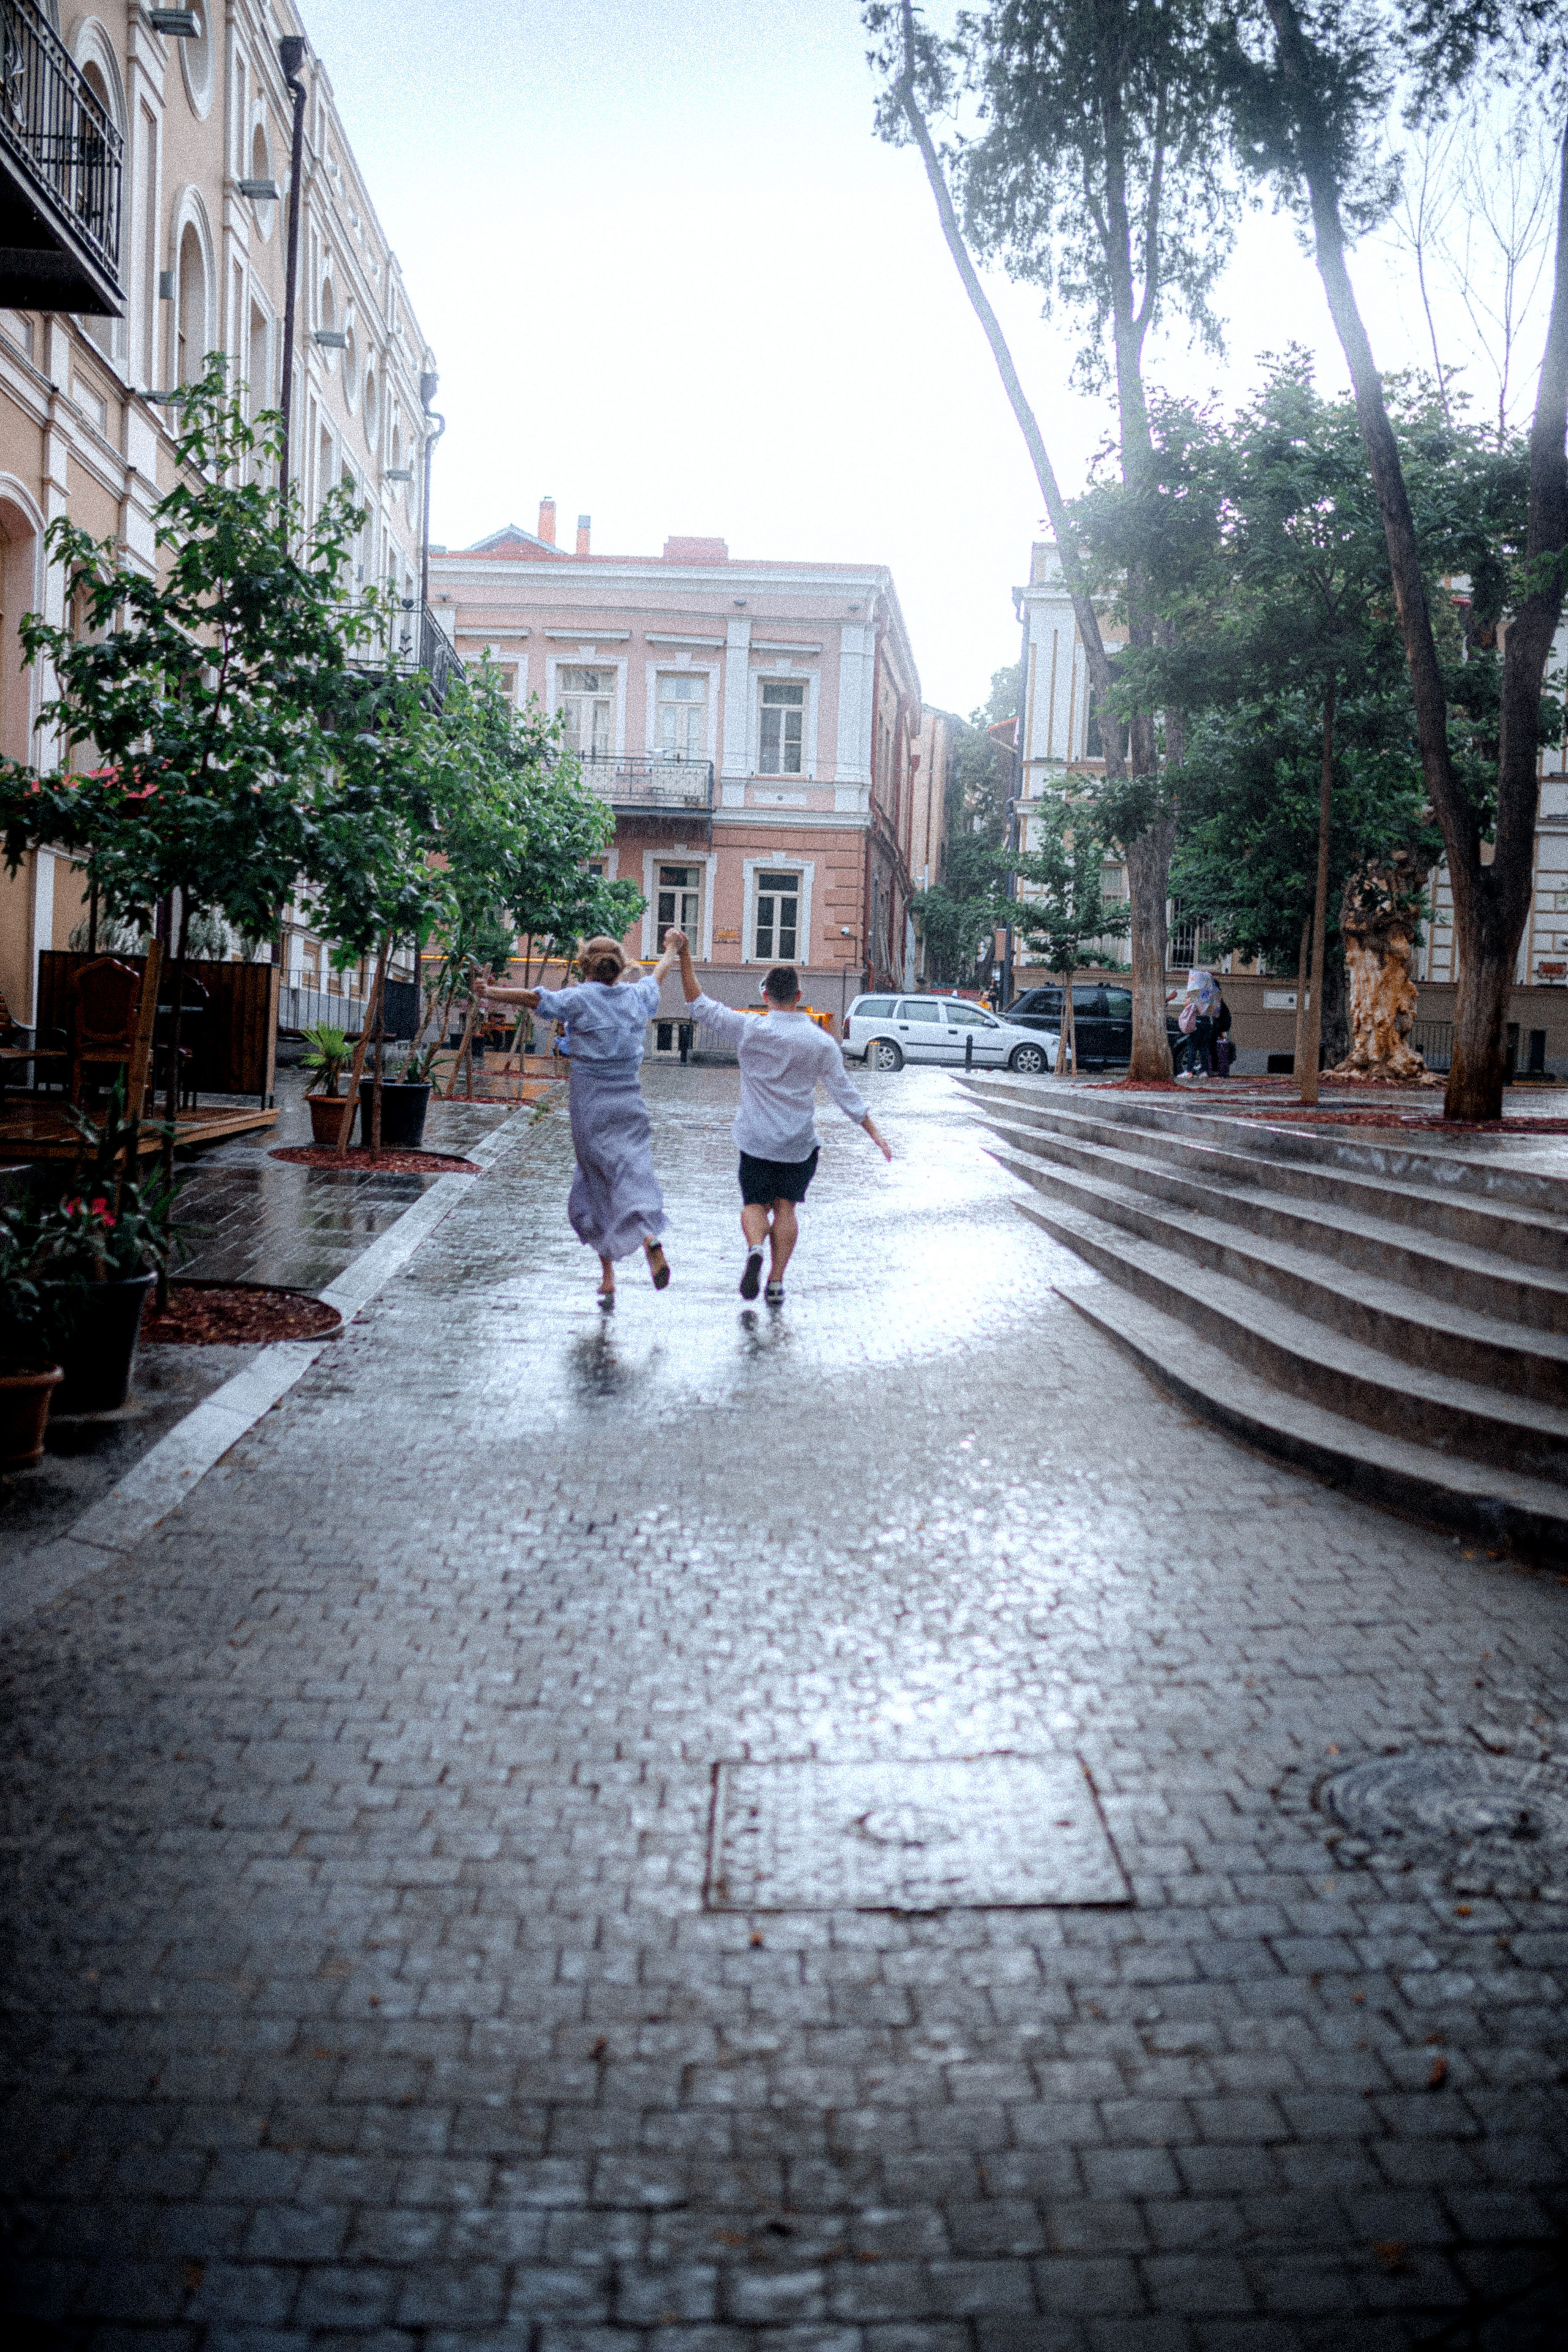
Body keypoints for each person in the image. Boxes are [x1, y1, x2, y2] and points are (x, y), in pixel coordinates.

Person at [669, 930, 891, 1305]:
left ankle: (756, 1247)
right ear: (799, 997)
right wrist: (876, 1134)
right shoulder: (820, 1042)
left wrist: (685, 956)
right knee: (786, 1207)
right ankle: (775, 1280)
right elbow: (844, 1093)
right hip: (797, 1144)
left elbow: (698, 1004)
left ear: (765, 995)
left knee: (754, 1204)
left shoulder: (750, 1028)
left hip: (755, 1139)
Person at [480, 933, 680, 1309]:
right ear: (619, 968)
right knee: (632, 1172)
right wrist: (671, 947)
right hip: (630, 1102)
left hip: (590, 1105)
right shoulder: (637, 996)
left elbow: (535, 1000)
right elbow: (660, 975)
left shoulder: (579, 998)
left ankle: (609, 1277)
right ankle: (647, 1237)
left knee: (594, 1181)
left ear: (584, 966)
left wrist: (490, 992)